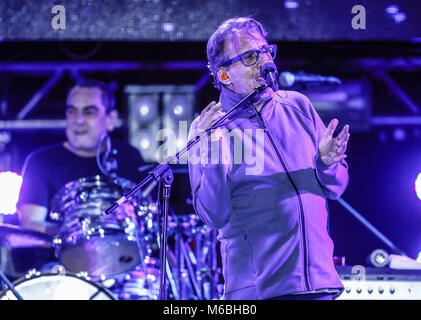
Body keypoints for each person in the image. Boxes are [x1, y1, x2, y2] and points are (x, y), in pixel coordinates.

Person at [188, 17, 350, 300]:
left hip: (319, 285)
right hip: (258, 292)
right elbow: (213, 214)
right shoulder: (210, 127)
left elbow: (336, 188)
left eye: (266, 51)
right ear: (225, 75)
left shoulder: (298, 106)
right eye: (251, 56)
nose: (266, 62)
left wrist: (327, 165)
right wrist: (213, 151)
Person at [18, 79, 146, 236]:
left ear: (111, 119)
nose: (78, 120)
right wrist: (79, 237)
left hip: (122, 257)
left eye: (89, 112)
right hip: (58, 258)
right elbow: (30, 222)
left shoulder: (129, 156)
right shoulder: (40, 161)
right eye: (72, 111)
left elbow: (148, 219)